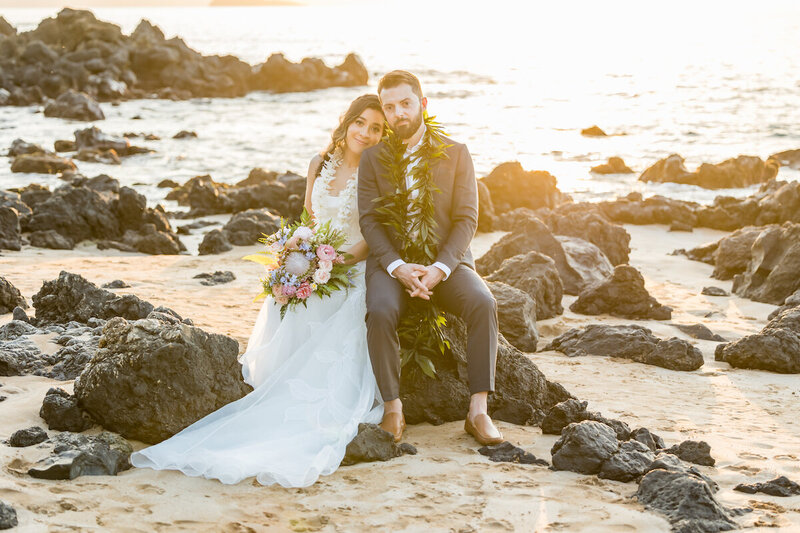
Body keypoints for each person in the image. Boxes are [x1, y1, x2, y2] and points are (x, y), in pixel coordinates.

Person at [130, 94, 386, 488]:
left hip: (350, 268)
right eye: (360, 123)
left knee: (328, 306)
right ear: (346, 121)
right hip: (317, 261)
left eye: (376, 128)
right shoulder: (319, 163)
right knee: (295, 300)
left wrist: (329, 264)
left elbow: (369, 238)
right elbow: (309, 217)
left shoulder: (374, 170)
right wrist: (299, 254)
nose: (365, 133)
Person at [357, 71, 503, 446]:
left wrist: (439, 269)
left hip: (445, 263)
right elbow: (369, 221)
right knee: (380, 312)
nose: (398, 113)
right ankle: (393, 408)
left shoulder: (456, 153)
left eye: (405, 104)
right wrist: (396, 266)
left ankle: (478, 410)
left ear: (422, 104)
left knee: (483, 303)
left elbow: (467, 219)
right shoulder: (373, 159)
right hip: (390, 265)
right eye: (389, 107)